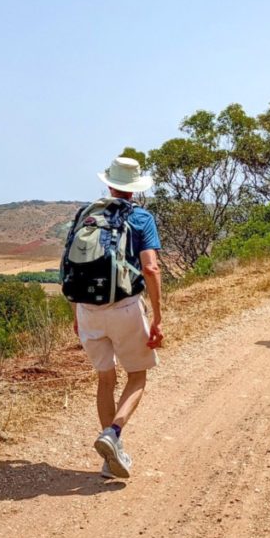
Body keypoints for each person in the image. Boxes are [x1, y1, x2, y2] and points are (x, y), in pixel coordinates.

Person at [71, 156, 163, 479]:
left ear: (110, 184)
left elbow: (70, 269)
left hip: (87, 310)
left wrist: (76, 314)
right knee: (137, 377)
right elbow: (150, 268)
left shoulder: (86, 215)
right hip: (124, 308)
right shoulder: (141, 217)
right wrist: (158, 317)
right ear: (134, 189)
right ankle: (113, 434)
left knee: (105, 380)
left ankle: (110, 460)